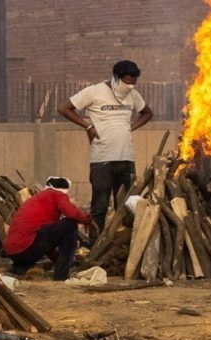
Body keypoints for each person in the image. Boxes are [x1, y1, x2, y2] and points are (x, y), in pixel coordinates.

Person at [61, 61, 151, 225]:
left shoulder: (133, 95)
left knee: (126, 206)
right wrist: (87, 125)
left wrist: (131, 127)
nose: (130, 87)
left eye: (133, 83)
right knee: (100, 207)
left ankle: (121, 244)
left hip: (126, 159)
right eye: (127, 82)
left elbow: (147, 113)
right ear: (116, 78)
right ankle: (96, 244)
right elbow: (64, 108)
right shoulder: (95, 92)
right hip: (102, 161)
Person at [3, 176, 95, 281]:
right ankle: (62, 276)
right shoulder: (56, 194)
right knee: (70, 224)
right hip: (27, 246)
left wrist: (57, 260)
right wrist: (88, 220)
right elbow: (71, 213)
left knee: (47, 232)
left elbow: (48, 242)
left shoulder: (36, 199)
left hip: (14, 252)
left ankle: (18, 268)